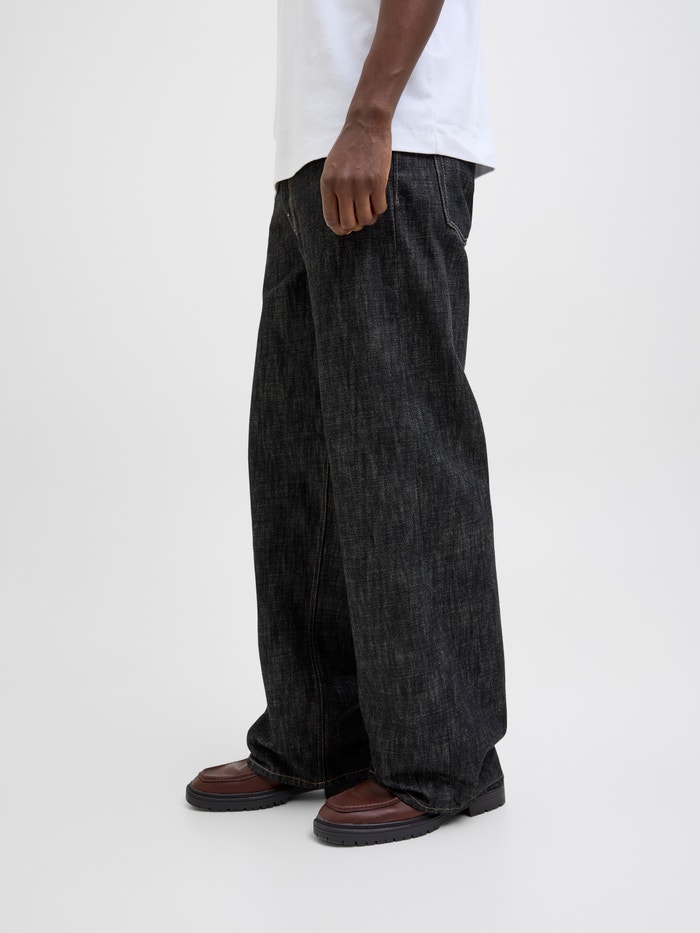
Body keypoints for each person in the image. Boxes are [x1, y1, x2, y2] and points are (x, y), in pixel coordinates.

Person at [186, 0, 507, 847]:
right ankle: (318, 733)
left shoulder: (381, 130)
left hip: (392, 143)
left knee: (401, 458)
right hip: (316, 155)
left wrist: (369, 118)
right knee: (301, 460)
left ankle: (443, 757)